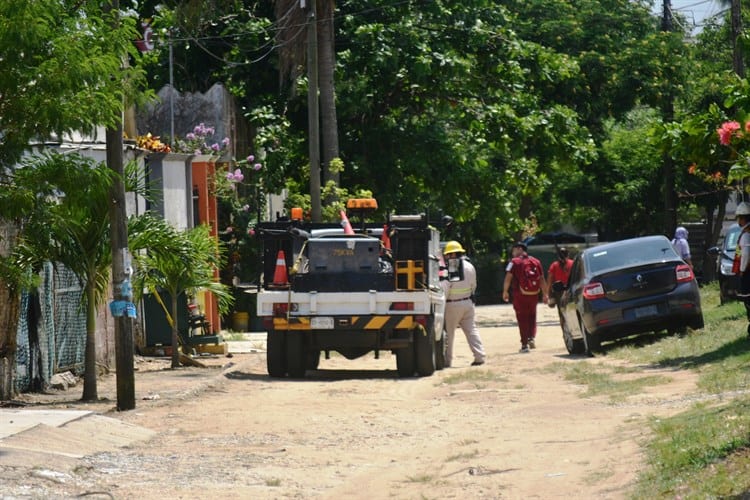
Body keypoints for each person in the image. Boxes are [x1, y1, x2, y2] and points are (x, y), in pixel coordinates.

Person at [442, 240, 486, 367]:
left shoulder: (451, 268)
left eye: (448, 255)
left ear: (452, 254)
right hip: (468, 303)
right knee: (472, 330)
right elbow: (474, 285)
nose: (446, 257)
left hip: (452, 305)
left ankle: (447, 361)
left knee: (449, 335)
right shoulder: (470, 266)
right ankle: (479, 356)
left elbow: (445, 288)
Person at [502, 242, 548, 352]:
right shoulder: (536, 261)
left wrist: (505, 291)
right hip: (534, 294)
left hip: (520, 294)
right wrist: (545, 294)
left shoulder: (514, 262)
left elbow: (508, 277)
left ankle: (524, 344)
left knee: (522, 318)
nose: (513, 253)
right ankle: (531, 337)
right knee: (532, 315)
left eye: (513, 250)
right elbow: (542, 279)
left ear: (519, 249)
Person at [733, 202, 750, 339]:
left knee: (748, 300)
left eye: (739, 217)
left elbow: (745, 254)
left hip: (748, 273)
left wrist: (743, 270)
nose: (738, 220)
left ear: (743, 218)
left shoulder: (746, 234)